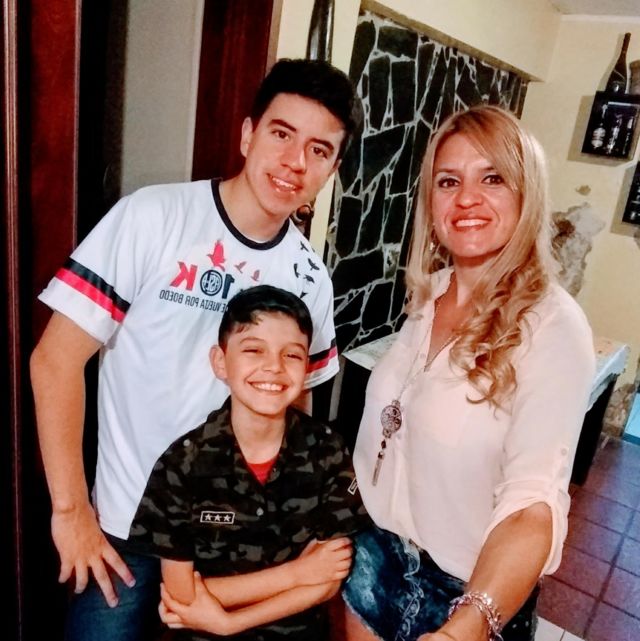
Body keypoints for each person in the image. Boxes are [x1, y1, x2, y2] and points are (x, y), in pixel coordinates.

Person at [29, 58, 361, 641]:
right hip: (125, 530)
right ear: (248, 134)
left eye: (319, 150)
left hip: (238, 538)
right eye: (282, 134)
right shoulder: (153, 216)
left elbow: (296, 405)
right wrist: (70, 510)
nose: (294, 162)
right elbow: (55, 360)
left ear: (332, 168)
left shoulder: (310, 277)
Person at [341, 105, 596, 641]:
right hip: (374, 559)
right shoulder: (430, 294)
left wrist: (469, 624)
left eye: (492, 178)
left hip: (464, 594)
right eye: (448, 181)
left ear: (526, 195)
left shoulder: (553, 327)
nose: (466, 199)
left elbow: (533, 505)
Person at [127, 285, 369, 640]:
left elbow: (329, 579)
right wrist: (298, 574)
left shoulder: (328, 451)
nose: (273, 367)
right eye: (254, 350)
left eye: (292, 355)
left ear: (307, 367)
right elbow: (181, 594)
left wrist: (231, 621)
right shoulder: (182, 464)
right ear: (220, 361)